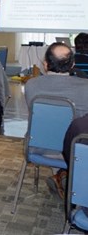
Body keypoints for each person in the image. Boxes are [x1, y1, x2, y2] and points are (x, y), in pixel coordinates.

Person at [24, 42, 88, 199]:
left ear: (45, 65)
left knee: (54, 132)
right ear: (73, 64)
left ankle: (60, 174)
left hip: (38, 147)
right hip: (75, 152)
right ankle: (66, 176)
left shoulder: (31, 85)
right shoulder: (85, 88)